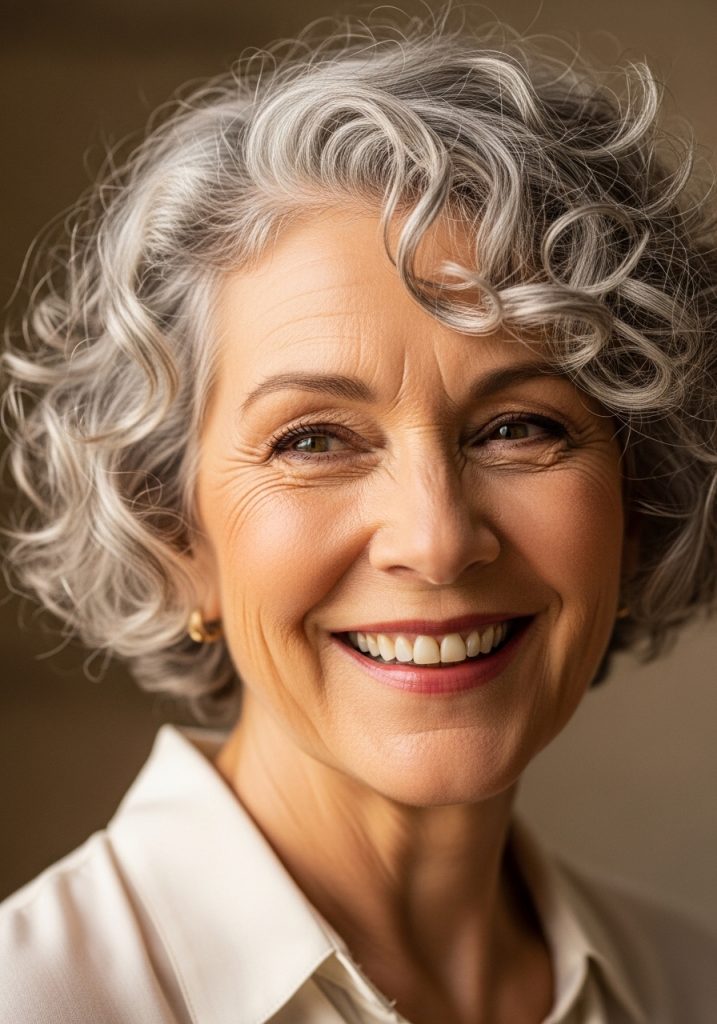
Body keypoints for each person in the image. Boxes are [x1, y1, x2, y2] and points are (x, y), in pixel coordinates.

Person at [1, 10, 716, 1024]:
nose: (434, 539)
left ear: (638, 500)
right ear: (174, 532)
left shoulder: (693, 987)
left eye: (519, 425)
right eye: (313, 440)